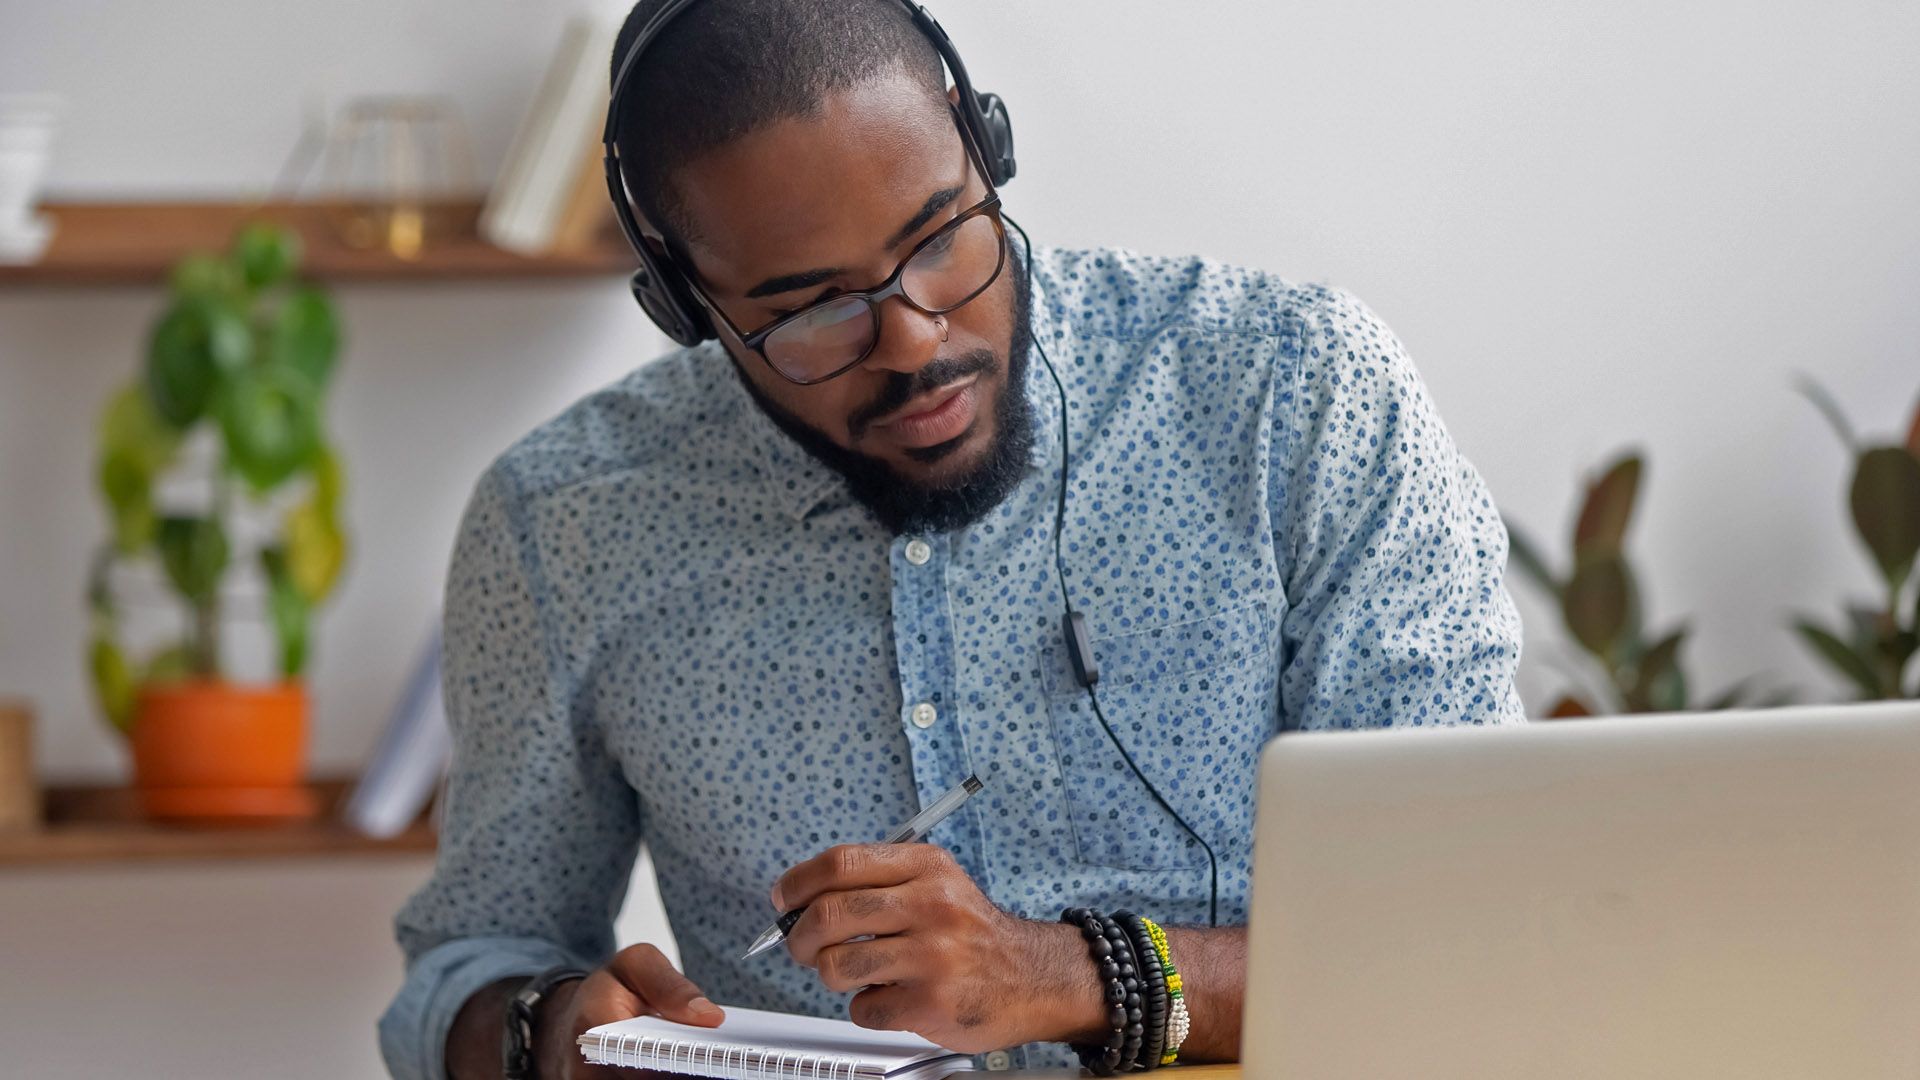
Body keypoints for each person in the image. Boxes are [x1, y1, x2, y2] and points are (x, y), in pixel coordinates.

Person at [379, 1, 1526, 1077]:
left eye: (941, 237)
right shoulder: (564, 522)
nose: (917, 341)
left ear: (987, 147)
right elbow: (463, 973)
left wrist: (1074, 975)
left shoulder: (1296, 393)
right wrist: (550, 1035)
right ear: (686, 305)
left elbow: (1476, 925)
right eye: (810, 308)